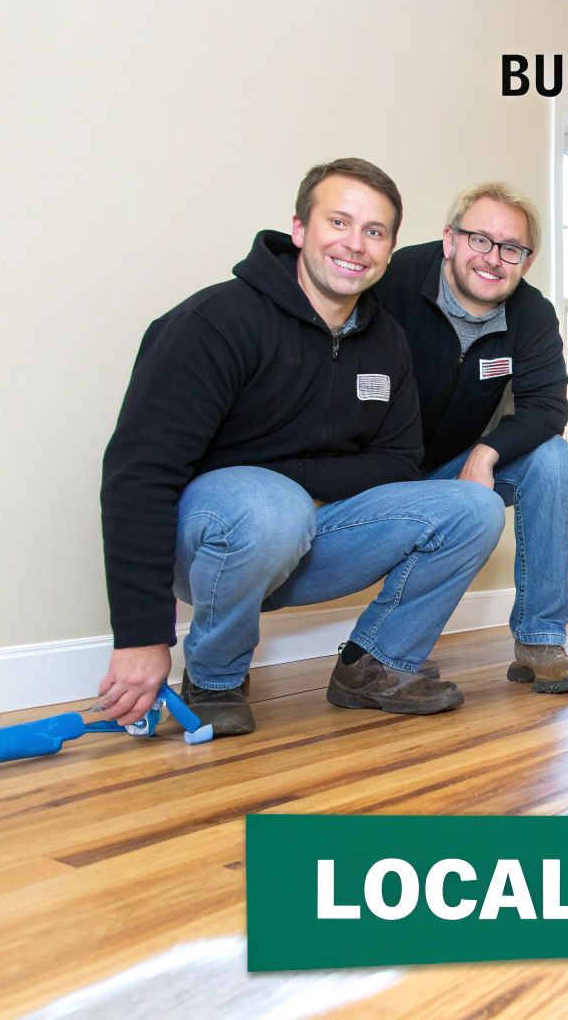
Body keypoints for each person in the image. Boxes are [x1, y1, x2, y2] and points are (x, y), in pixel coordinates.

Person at [96, 158, 505, 736]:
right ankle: (214, 679)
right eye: (339, 222)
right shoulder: (215, 322)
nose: (355, 245)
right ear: (299, 229)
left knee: (474, 507)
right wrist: (141, 636)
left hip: (312, 537)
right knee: (272, 505)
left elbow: (398, 461)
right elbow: (139, 476)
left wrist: (295, 482)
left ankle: (376, 666)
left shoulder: (388, 341)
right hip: (214, 540)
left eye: (374, 232)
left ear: (389, 251)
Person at [370, 182, 568, 694]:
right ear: (450, 240)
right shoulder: (395, 279)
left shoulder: (531, 314)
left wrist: (486, 454)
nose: (494, 259)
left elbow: (548, 409)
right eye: (480, 240)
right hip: (373, 467)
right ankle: (391, 646)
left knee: (552, 459)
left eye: (512, 248)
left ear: (526, 262)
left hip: (451, 465)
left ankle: (539, 639)